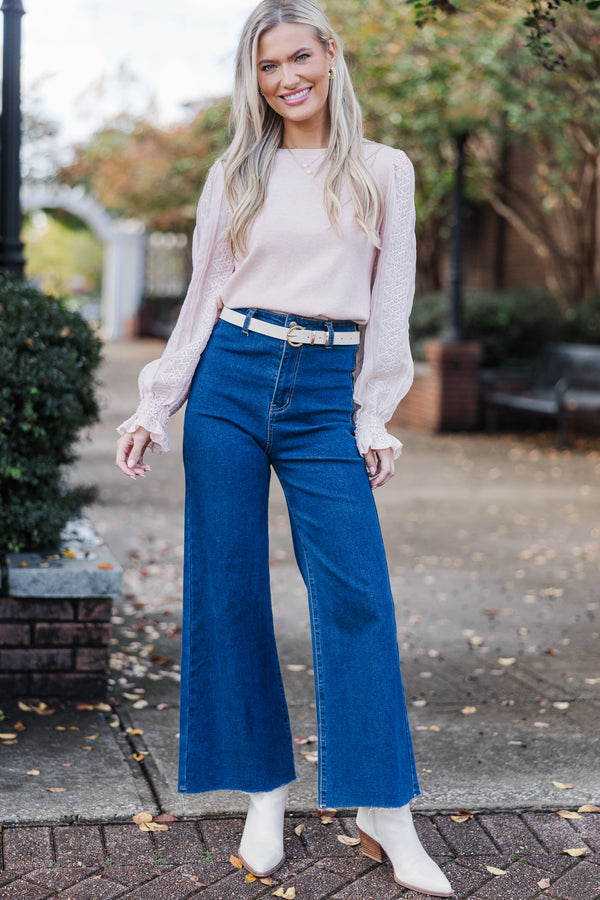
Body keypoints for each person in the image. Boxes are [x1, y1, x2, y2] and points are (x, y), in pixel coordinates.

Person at [116, 0, 453, 895]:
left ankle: (385, 809)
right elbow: (202, 297)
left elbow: (391, 304)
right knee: (225, 586)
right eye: (268, 67)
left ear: (331, 57)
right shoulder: (237, 171)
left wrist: (374, 415)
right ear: (254, 80)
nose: (286, 78)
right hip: (231, 376)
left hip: (324, 395)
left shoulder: (386, 170)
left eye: (299, 57)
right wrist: (157, 403)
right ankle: (264, 790)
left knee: (357, 593)